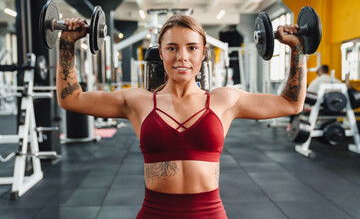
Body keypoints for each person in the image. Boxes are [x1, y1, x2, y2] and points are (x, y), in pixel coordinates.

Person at [57, 15, 306, 219]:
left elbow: (290, 103)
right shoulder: (137, 101)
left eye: (192, 48)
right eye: (172, 48)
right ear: (161, 53)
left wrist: (298, 49)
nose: (182, 57)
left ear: (203, 53)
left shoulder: (224, 100)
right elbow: (71, 98)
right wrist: (67, 43)